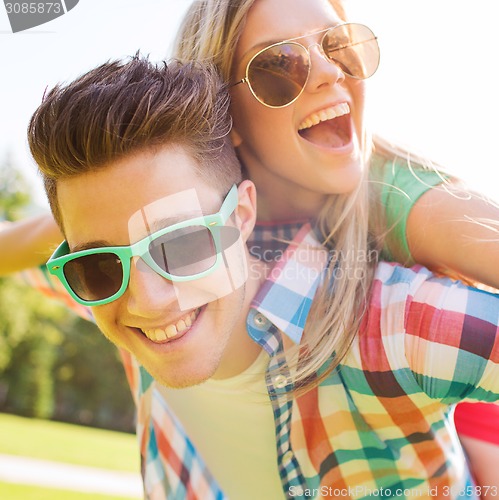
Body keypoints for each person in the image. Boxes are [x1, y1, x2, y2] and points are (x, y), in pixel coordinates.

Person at [26, 54, 499, 500]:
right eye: (100, 266)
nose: (146, 301)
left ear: (243, 213)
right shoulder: (109, 306)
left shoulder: (386, 327)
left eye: (183, 244)